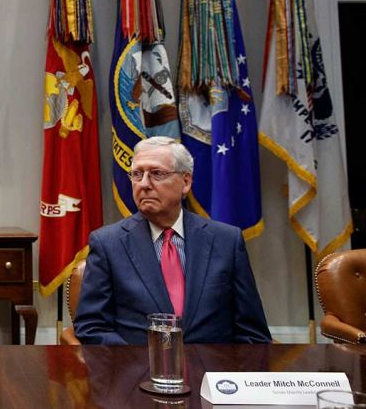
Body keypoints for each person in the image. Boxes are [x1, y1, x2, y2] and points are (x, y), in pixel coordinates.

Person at [73, 136, 271, 345]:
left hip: (211, 371)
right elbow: (92, 327)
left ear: (185, 182)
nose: (144, 184)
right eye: (137, 174)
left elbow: (252, 333)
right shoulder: (108, 243)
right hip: (138, 373)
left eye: (157, 174)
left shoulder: (226, 241)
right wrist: (144, 363)